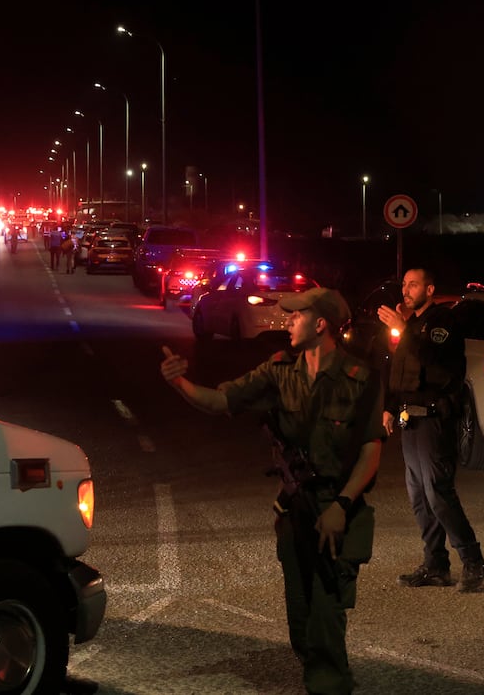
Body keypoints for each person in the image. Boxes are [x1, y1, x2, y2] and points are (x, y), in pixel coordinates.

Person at [159, 287, 384, 695]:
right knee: (300, 617)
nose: (288, 322)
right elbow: (221, 400)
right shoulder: (279, 372)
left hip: (338, 510)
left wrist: (341, 504)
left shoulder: (360, 379)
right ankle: (319, 667)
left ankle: (331, 684)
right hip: (295, 511)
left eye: (297, 316)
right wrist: (181, 384)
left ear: (321, 325)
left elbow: (371, 450)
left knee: (325, 613)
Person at [377, 268, 484, 593]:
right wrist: (389, 405)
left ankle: (473, 561)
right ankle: (436, 565)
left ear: (430, 288)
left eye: (413, 285)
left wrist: (405, 329)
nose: (406, 290)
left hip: (434, 420)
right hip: (409, 419)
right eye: (404, 285)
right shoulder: (413, 325)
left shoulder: (442, 322)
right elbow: (396, 368)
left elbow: (436, 362)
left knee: (438, 493)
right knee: (419, 498)